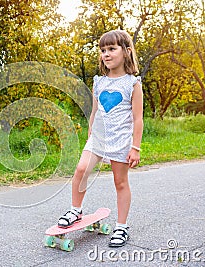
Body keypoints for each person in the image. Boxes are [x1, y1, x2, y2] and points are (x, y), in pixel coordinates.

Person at [57, 30, 143, 248]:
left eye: (112, 49)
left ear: (126, 51)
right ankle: (76, 210)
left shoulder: (132, 83)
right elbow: (95, 112)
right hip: (98, 138)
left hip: (121, 140)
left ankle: (121, 227)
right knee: (81, 169)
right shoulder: (99, 82)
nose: (106, 54)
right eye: (103, 50)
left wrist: (135, 147)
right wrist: (90, 133)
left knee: (120, 182)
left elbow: (138, 118)